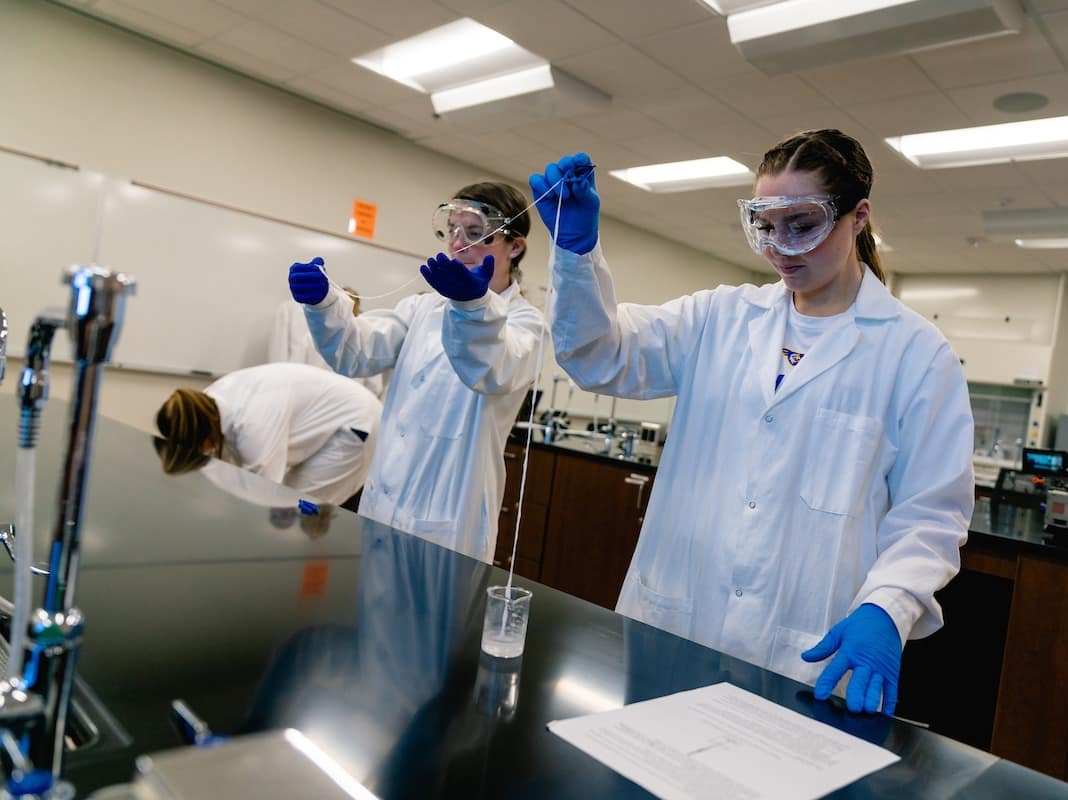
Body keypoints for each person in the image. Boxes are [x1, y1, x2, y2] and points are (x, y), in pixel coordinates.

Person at [529, 131, 974, 716]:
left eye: (803, 224)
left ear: (858, 217)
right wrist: (576, 254)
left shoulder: (916, 353)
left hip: (801, 650)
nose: (781, 247)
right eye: (767, 225)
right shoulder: (720, 317)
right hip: (675, 625)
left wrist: (888, 605)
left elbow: (932, 512)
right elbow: (599, 355)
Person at [286, 182, 546, 562]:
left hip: (449, 519)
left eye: (476, 234)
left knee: (435, 619)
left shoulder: (527, 323)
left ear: (516, 246)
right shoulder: (421, 308)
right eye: (453, 230)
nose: (459, 244)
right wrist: (324, 305)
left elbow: (490, 369)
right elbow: (357, 353)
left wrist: (473, 307)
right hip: (384, 500)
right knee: (372, 613)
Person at [154, 362, 381, 507]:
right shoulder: (203, 407)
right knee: (288, 501)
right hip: (333, 411)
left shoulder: (252, 425)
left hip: (355, 425)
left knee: (299, 504)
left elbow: (262, 496)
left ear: (203, 441)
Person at [269, 285, 385, 399]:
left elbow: (375, 385)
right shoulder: (315, 337)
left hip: (344, 399)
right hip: (323, 397)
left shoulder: (365, 335)